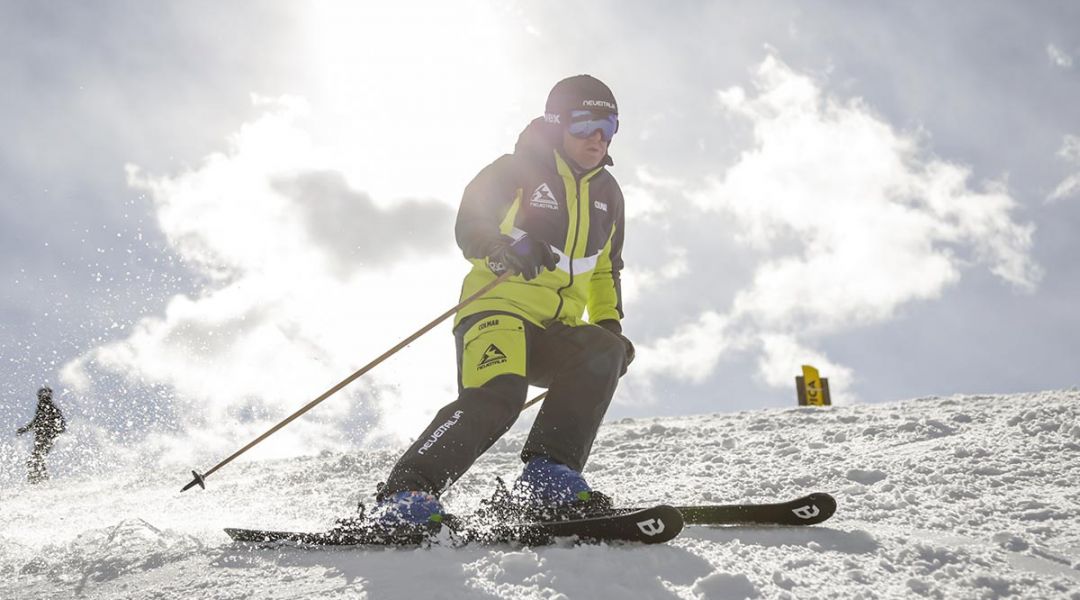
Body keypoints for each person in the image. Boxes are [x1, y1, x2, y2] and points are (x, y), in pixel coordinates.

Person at [358, 75, 635, 536]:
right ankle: (406, 495)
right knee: (502, 395)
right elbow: (472, 223)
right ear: (557, 124)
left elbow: (607, 269)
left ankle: (547, 482)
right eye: (585, 124)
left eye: (608, 126)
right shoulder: (515, 170)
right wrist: (503, 248)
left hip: (555, 326)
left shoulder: (609, 195)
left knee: (602, 350)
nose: (597, 138)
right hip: (498, 311)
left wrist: (609, 326)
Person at [16, 385, 66, 484]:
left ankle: (39, 479)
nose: (41, 398)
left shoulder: (50, 408)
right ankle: (37, 478)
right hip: (42, 437)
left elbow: (61, 424)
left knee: (37, 457)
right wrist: (25, 429)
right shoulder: (42, 408)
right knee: (36, 457)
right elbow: (36, 422)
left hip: (46, 437)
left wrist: (53, 433)